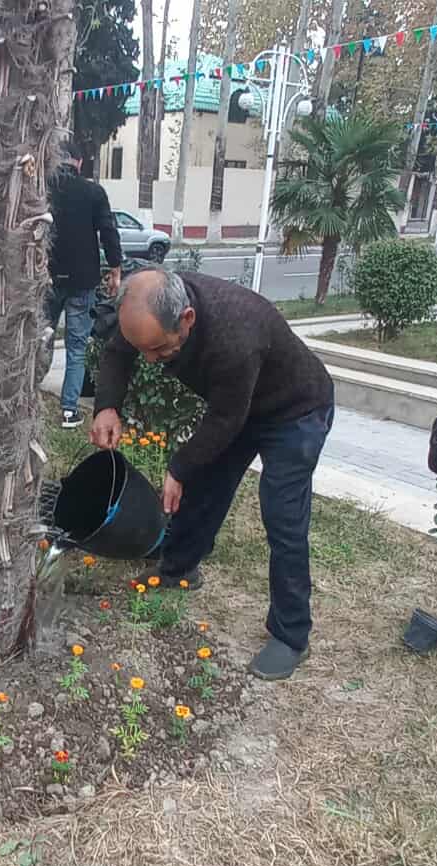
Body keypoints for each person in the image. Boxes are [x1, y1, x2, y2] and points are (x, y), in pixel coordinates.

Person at [90, 267, 335, 681]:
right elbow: (118, 352)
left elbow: (225, 420)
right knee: (205, 484)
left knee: (283, 516)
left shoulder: (234, 332)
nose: (149, 360)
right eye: (143, 349)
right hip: (239, 405)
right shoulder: (147, 305)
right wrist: (107, 406)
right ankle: (179, 568)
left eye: (159, 350)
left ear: (186, 318)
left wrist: (178, 468)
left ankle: (291, 636)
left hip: (295, 411)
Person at [45, 142, 124, 428]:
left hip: (47, 278)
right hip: (83, 281)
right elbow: (108, 232)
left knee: (40, 338)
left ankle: (26, 397)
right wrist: (115, 269)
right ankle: (69, 411)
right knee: (76, 347)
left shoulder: (43, 191)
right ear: (79, 162)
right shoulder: (93, 192)